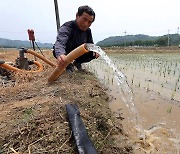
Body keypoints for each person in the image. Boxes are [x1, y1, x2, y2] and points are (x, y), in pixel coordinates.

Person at [53, 5, 99, 72]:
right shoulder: (67, 27)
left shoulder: (88, 31)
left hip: (79, 53)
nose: (86, 24)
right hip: (67, 53)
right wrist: (60, 54)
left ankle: (78, 63)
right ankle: (68, 65)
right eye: (84, 19)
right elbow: (60, 42)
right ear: (77, 15)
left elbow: (90, 44)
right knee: (58, 50)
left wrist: (95, 50)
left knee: (92, 53)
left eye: (89, 22)